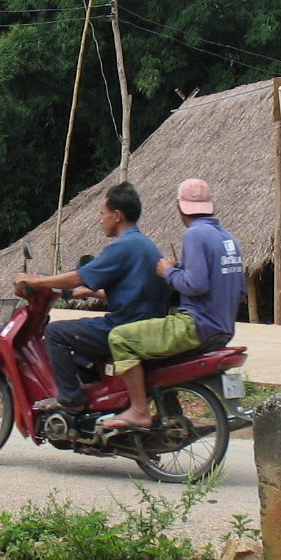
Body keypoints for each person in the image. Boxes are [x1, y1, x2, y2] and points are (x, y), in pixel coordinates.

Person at [100, 179, 247, 431]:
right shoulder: (227, 238)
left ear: (180, 207)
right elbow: (240, 290)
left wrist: (168, 272)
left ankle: (138, 410)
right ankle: (169, 412)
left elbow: (195, 285)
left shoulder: (195, 234)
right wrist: (179, 269)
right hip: (222, 328)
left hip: (194, 325)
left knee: (120, 338)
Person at [14, 182, 166, 413]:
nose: (100, 220)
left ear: (117, 215)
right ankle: (99, 399)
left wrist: (36, 281)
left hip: (125, 325)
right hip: (143, 321)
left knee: (55, 333)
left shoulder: (122, 247)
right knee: (82, 349)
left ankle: (71, 400)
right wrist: (90, 292)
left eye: (102, 214)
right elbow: (133, 290)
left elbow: (77, 277)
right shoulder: (143, 244)